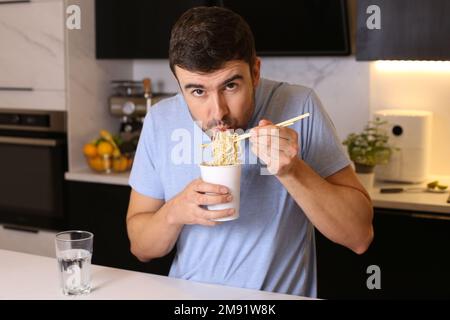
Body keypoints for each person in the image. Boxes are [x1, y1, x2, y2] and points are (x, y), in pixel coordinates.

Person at [126, 6, 373, 297]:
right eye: (197, 91)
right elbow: (140, 248)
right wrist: (173, 213)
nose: (218, 112)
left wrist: (293, 170)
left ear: (255, 71)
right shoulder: (161, 119)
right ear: (179, 85)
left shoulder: (298, 104)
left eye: (230, 85)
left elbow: (359, 236)